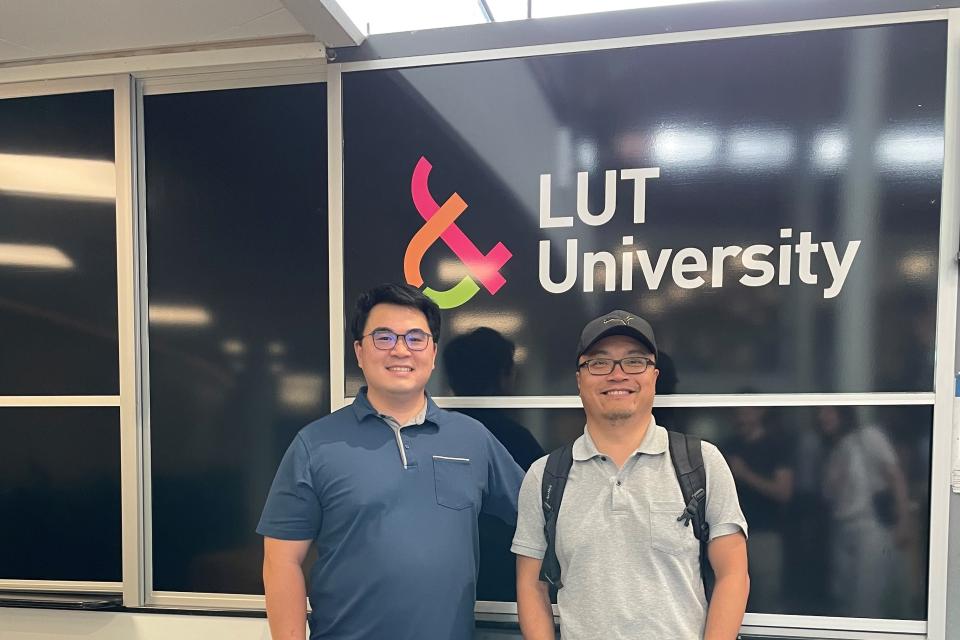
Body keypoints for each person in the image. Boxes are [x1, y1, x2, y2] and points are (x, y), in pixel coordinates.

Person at [257, 283, 525, 640]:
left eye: (416, 338)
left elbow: (536, 517)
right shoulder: (315, 444)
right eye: (383, 337)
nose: (401, 350)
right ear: (359, 351)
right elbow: (281, 561)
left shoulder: (473, 439)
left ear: (432, 352)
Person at [512, 310, 749, 640]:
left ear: (654, 376)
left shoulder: (701, 463)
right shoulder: (545, 477)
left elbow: (733, 574)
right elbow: (531, 585)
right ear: (580, 379)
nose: (617, 375)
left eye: (634, 362)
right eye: (599, 363)